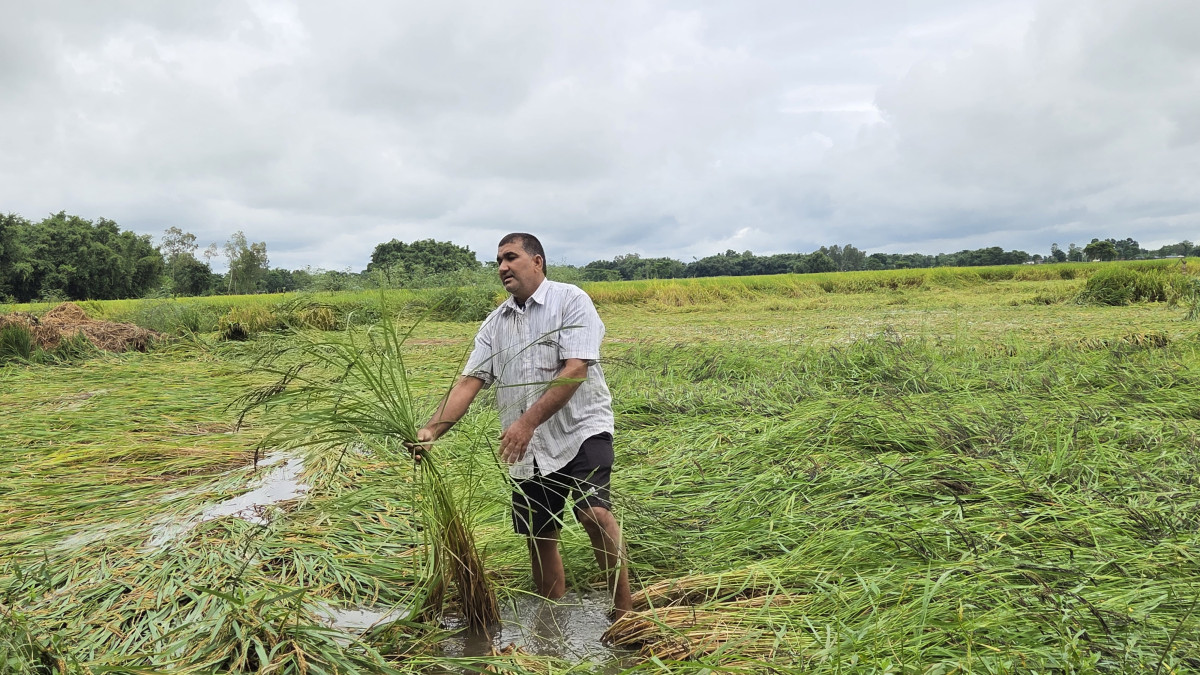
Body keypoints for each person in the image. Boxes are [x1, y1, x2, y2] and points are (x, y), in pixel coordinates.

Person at [410, 232, 633, 618]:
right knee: (540, 536)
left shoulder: (571, 300)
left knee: (594, 514)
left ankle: (626, 615)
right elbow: (468, 383)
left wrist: (526, 423)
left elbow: (575, 370)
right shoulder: (495, 325)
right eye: (498, 261)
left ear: (537, 262)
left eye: (510, 257)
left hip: (581, 429)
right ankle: (551, 625)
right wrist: (431, 430)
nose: (502, 267)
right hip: (528, 448)